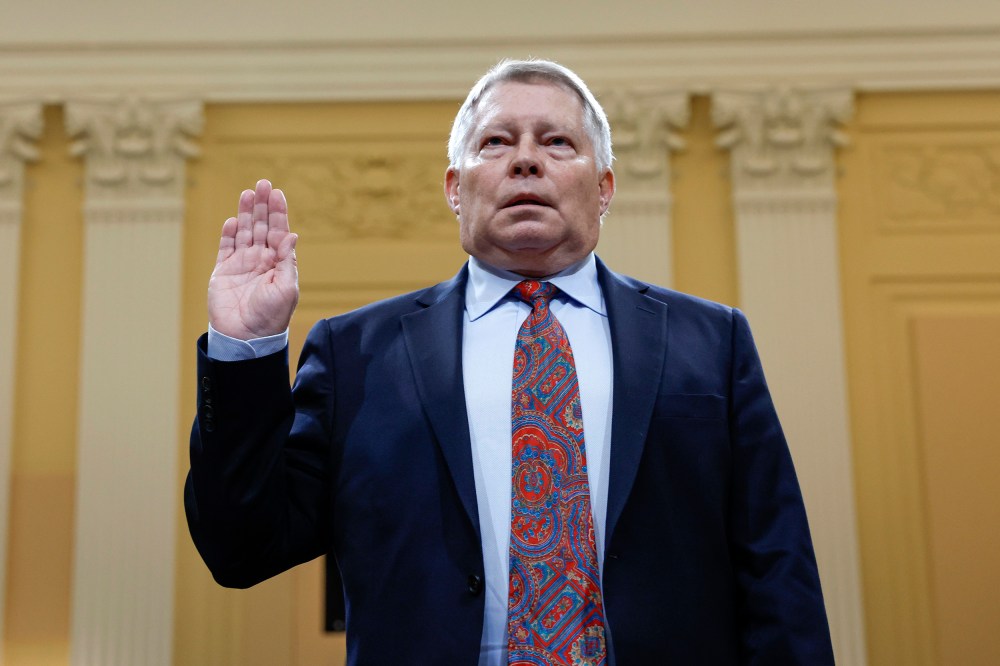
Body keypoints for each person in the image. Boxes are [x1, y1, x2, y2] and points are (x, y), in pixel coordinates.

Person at [185, 59, 835, 665]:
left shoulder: (711, 342)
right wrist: (246, 347)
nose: (526, 159)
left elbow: (778, 569)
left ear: (604, 187)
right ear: (454, 188)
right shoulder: (357, 354)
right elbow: (242, 548)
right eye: (496, 143)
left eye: (556, 142)